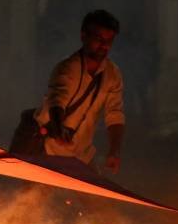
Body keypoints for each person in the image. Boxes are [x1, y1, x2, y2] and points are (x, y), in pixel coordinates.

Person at [32, 9, 125, 173]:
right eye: (99, 39)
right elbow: (56, 102)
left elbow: (115, 115)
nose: (104, 45)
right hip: (48, 152)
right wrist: (58, 128)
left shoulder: (112, 74)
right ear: (83, 36)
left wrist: (114, 151)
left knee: (96, 198)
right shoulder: (67, 68)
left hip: (82, 156)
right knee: (31, 198)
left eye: (109, 40)